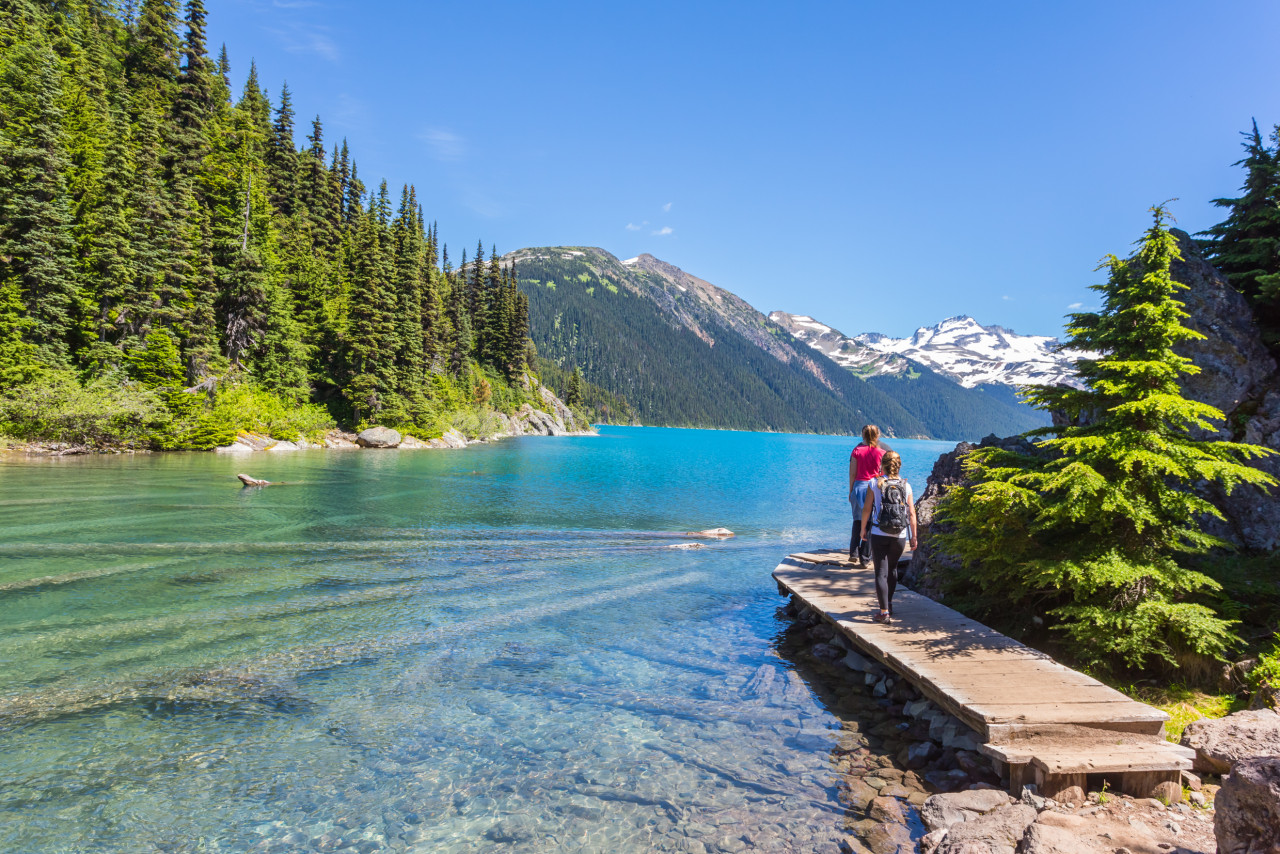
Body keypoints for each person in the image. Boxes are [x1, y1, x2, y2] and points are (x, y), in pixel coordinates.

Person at [860, 450, 917, 624]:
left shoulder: (874, 483)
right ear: (898, 466)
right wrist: (914, 536)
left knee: (880, 572)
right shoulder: (906, 486)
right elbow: (912, 513)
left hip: (879, 533)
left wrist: (863, 529)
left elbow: (867, 509)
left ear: (882, 465)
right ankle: (889, 605)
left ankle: (883, 613)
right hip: (899, 535)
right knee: (892, 569)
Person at [848, 425, 890, 566]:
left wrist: (851, 490)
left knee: (857, 520)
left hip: (859, 487)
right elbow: (883, 475)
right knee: (871, 523)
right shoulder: (882, 453)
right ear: (877, 435)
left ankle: (853, 552)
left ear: (863, 435)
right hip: (873, 488)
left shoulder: (857, 451)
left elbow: (852, 473)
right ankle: (865, 558)